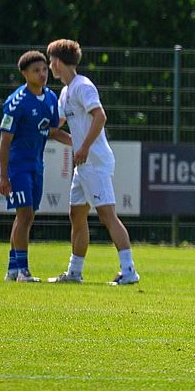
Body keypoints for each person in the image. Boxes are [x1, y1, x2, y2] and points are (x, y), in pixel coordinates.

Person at [45, 39, 140, 285]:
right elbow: (55, 128)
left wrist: (84, 147)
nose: (49, 67)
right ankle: (74, 272)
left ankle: (129, 271)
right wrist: (44, 129)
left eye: (50, 62)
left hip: (95, 162)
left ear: (58, 62)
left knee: (107, 216)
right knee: (76, 214)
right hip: (83, 165)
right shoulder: (65, 93)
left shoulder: (83, 86)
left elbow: (100, 116)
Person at [0, 50, 72, 282]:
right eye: (35, 71)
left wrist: (76, 143)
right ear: (24, 73)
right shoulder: (16, 102)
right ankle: (23, 270)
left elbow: (52, 131)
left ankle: (13, 269)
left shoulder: (50, 98)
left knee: (26, 217)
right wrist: (4, 176)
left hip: (37, 165)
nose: (42, 74)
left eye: (43, 69)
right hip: (18, 166)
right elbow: (5, 141)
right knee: (25, 214)